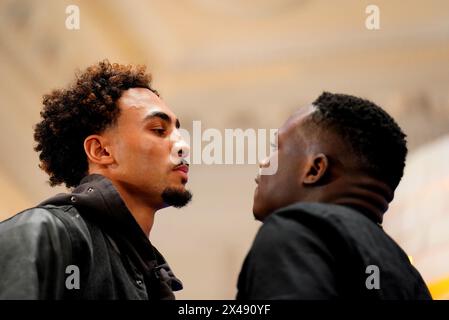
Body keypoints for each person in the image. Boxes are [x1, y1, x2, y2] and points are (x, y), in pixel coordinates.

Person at [0, 60, 192, 299]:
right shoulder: (42, 232)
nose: (183, 146)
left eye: (179, 132)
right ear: (101, 151)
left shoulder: (155, 283)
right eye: (158, 130)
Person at [236, 92, 432, 299]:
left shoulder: (299, 231)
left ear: (314, 170)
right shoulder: (407, 274)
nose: (264, 162)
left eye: (276, 148)